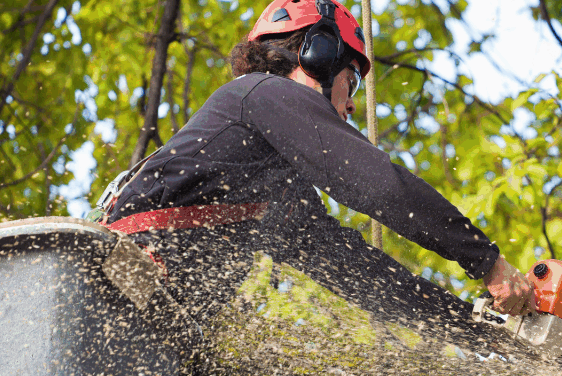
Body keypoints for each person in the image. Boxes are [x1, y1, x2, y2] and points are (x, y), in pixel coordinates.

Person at [99, 0, 535, 330]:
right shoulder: (261, 93)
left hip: (143, 317)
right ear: (317, 55)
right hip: (118, 281)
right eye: (351, 81)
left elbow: (358, 271)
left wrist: (475, 329)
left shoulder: (274, 191)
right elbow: (380, 185)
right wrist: (487, 262)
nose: (348, 106)